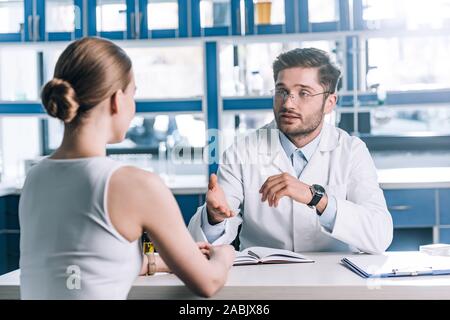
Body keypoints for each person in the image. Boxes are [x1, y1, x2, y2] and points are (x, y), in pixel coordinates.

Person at [19, 37, 235, 300]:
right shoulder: (134, 185)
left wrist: (159, 261)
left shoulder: (35, 177)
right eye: (134, 93)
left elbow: (82, 267)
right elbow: (208, 282)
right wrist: (224, 255)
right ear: (116, 100)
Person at [188, 48, 393, 254]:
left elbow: (379, 236)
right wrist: (214, 218)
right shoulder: (242, 152)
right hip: (263, 279)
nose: (287, 103)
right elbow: (201, 245)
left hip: (334, 279)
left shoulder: (351, 151)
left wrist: (316, 198)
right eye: (282, 92)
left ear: (329, 103)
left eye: (303, 93)